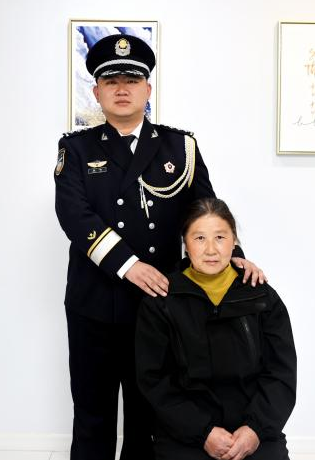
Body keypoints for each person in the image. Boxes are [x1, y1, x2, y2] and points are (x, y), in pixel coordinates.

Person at [54, 34, 265, 460]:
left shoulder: (179, 147)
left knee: (150, 415)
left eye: (132, 80)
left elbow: (205, 211)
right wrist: (128, 264)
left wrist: (235, 256)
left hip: (160, 306)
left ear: (148, 90)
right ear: (97, 92)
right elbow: (74, 214)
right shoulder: (75, 149)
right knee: (92, 415)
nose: (122, 88)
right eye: (111, 81)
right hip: (94, 302)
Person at [135, 198, 297, 460]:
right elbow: (154, 381)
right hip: (185, 434)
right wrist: (203, 432)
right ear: (185, 243)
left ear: (234, 242)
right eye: (199, 238)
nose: (211, 249)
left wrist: (255, 429)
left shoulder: (262, 296)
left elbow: (281, 373)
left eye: (220, 237)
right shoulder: (161, 300)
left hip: (254, 430)